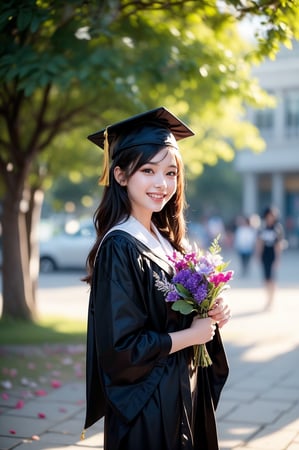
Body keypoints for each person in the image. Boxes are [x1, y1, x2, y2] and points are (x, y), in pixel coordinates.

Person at [82, 107, 231, 450]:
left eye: (170, 172)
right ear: (119, 175)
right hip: (147, 404)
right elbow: (121, 349)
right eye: (148, 170)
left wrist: (211, 313)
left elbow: (177, 316)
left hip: (180, 390)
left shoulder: (165, 241)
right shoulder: (120, 246)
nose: (161, 183)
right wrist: (191, 334)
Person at [256, 206, 284, 310]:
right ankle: (268, 298)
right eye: (268, 216)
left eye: (272, 216)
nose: (270, 218)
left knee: (272, 278)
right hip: (265, 255)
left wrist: (278, 259)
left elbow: (279, 245)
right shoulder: (263, 228)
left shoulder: (277, 228)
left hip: (273, 255)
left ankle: (272, 299)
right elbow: (259, 242)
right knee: (266, 278)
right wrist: (258, 255)